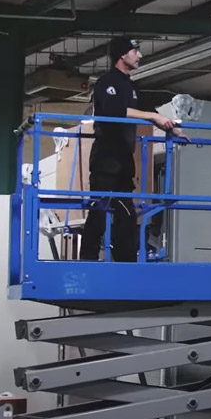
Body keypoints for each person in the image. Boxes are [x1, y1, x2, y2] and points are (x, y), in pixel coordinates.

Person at [80, 37, 175, 262]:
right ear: (123, 55)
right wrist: (152, 117)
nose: (139, 56)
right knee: (99, 210)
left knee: (127, 215)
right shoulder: (106, 83)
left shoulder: (131, 86)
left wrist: (173, 128)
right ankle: (87, 258)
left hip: (124, 161)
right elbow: (115, 111)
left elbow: (149, 110)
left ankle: (126, 261)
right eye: (135, 51)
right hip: (106, 160)